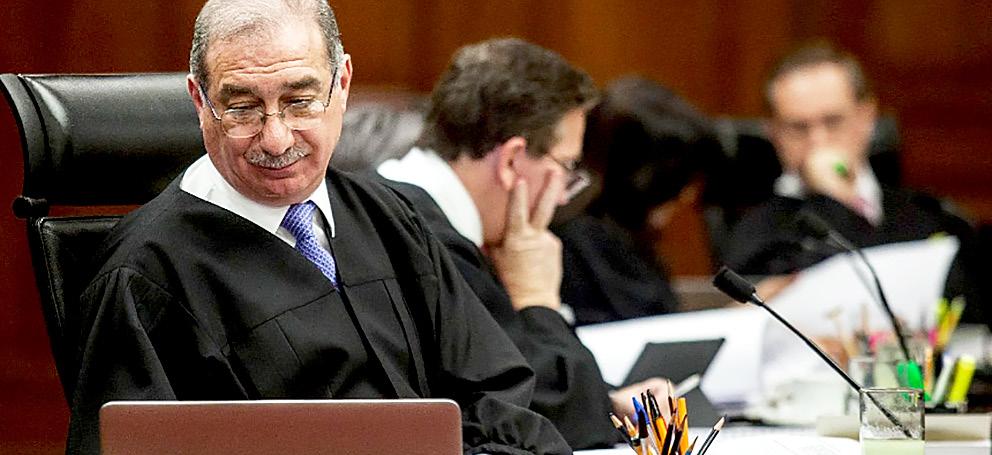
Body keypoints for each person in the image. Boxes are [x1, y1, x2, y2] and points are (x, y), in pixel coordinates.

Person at [67, 2, 571, 454]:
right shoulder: (142, 276)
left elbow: (498, 399)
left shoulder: (392, 216)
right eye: (242, 108)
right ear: (200, 101)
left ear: (342, 84)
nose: (276, 138)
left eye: (300, 101)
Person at [378, 39, 666, 449]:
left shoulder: (406, 211)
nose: (563, 196)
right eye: (567, 167)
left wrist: (609, 401)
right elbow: (559, 416)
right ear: (512, 160)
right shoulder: (429, 241)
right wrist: (536, 298)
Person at [724, 41, 976, 275]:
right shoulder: (755, 233)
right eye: (799, 128)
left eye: (833, 121)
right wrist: (833, 197)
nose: (818, 141)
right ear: (773, 132)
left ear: (867, 117)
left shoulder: (930, 217)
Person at [552, 76, 719, 325]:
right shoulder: (582, 237)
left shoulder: (612, 228)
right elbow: (643, 324)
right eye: (679, 182)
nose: (689, 196)